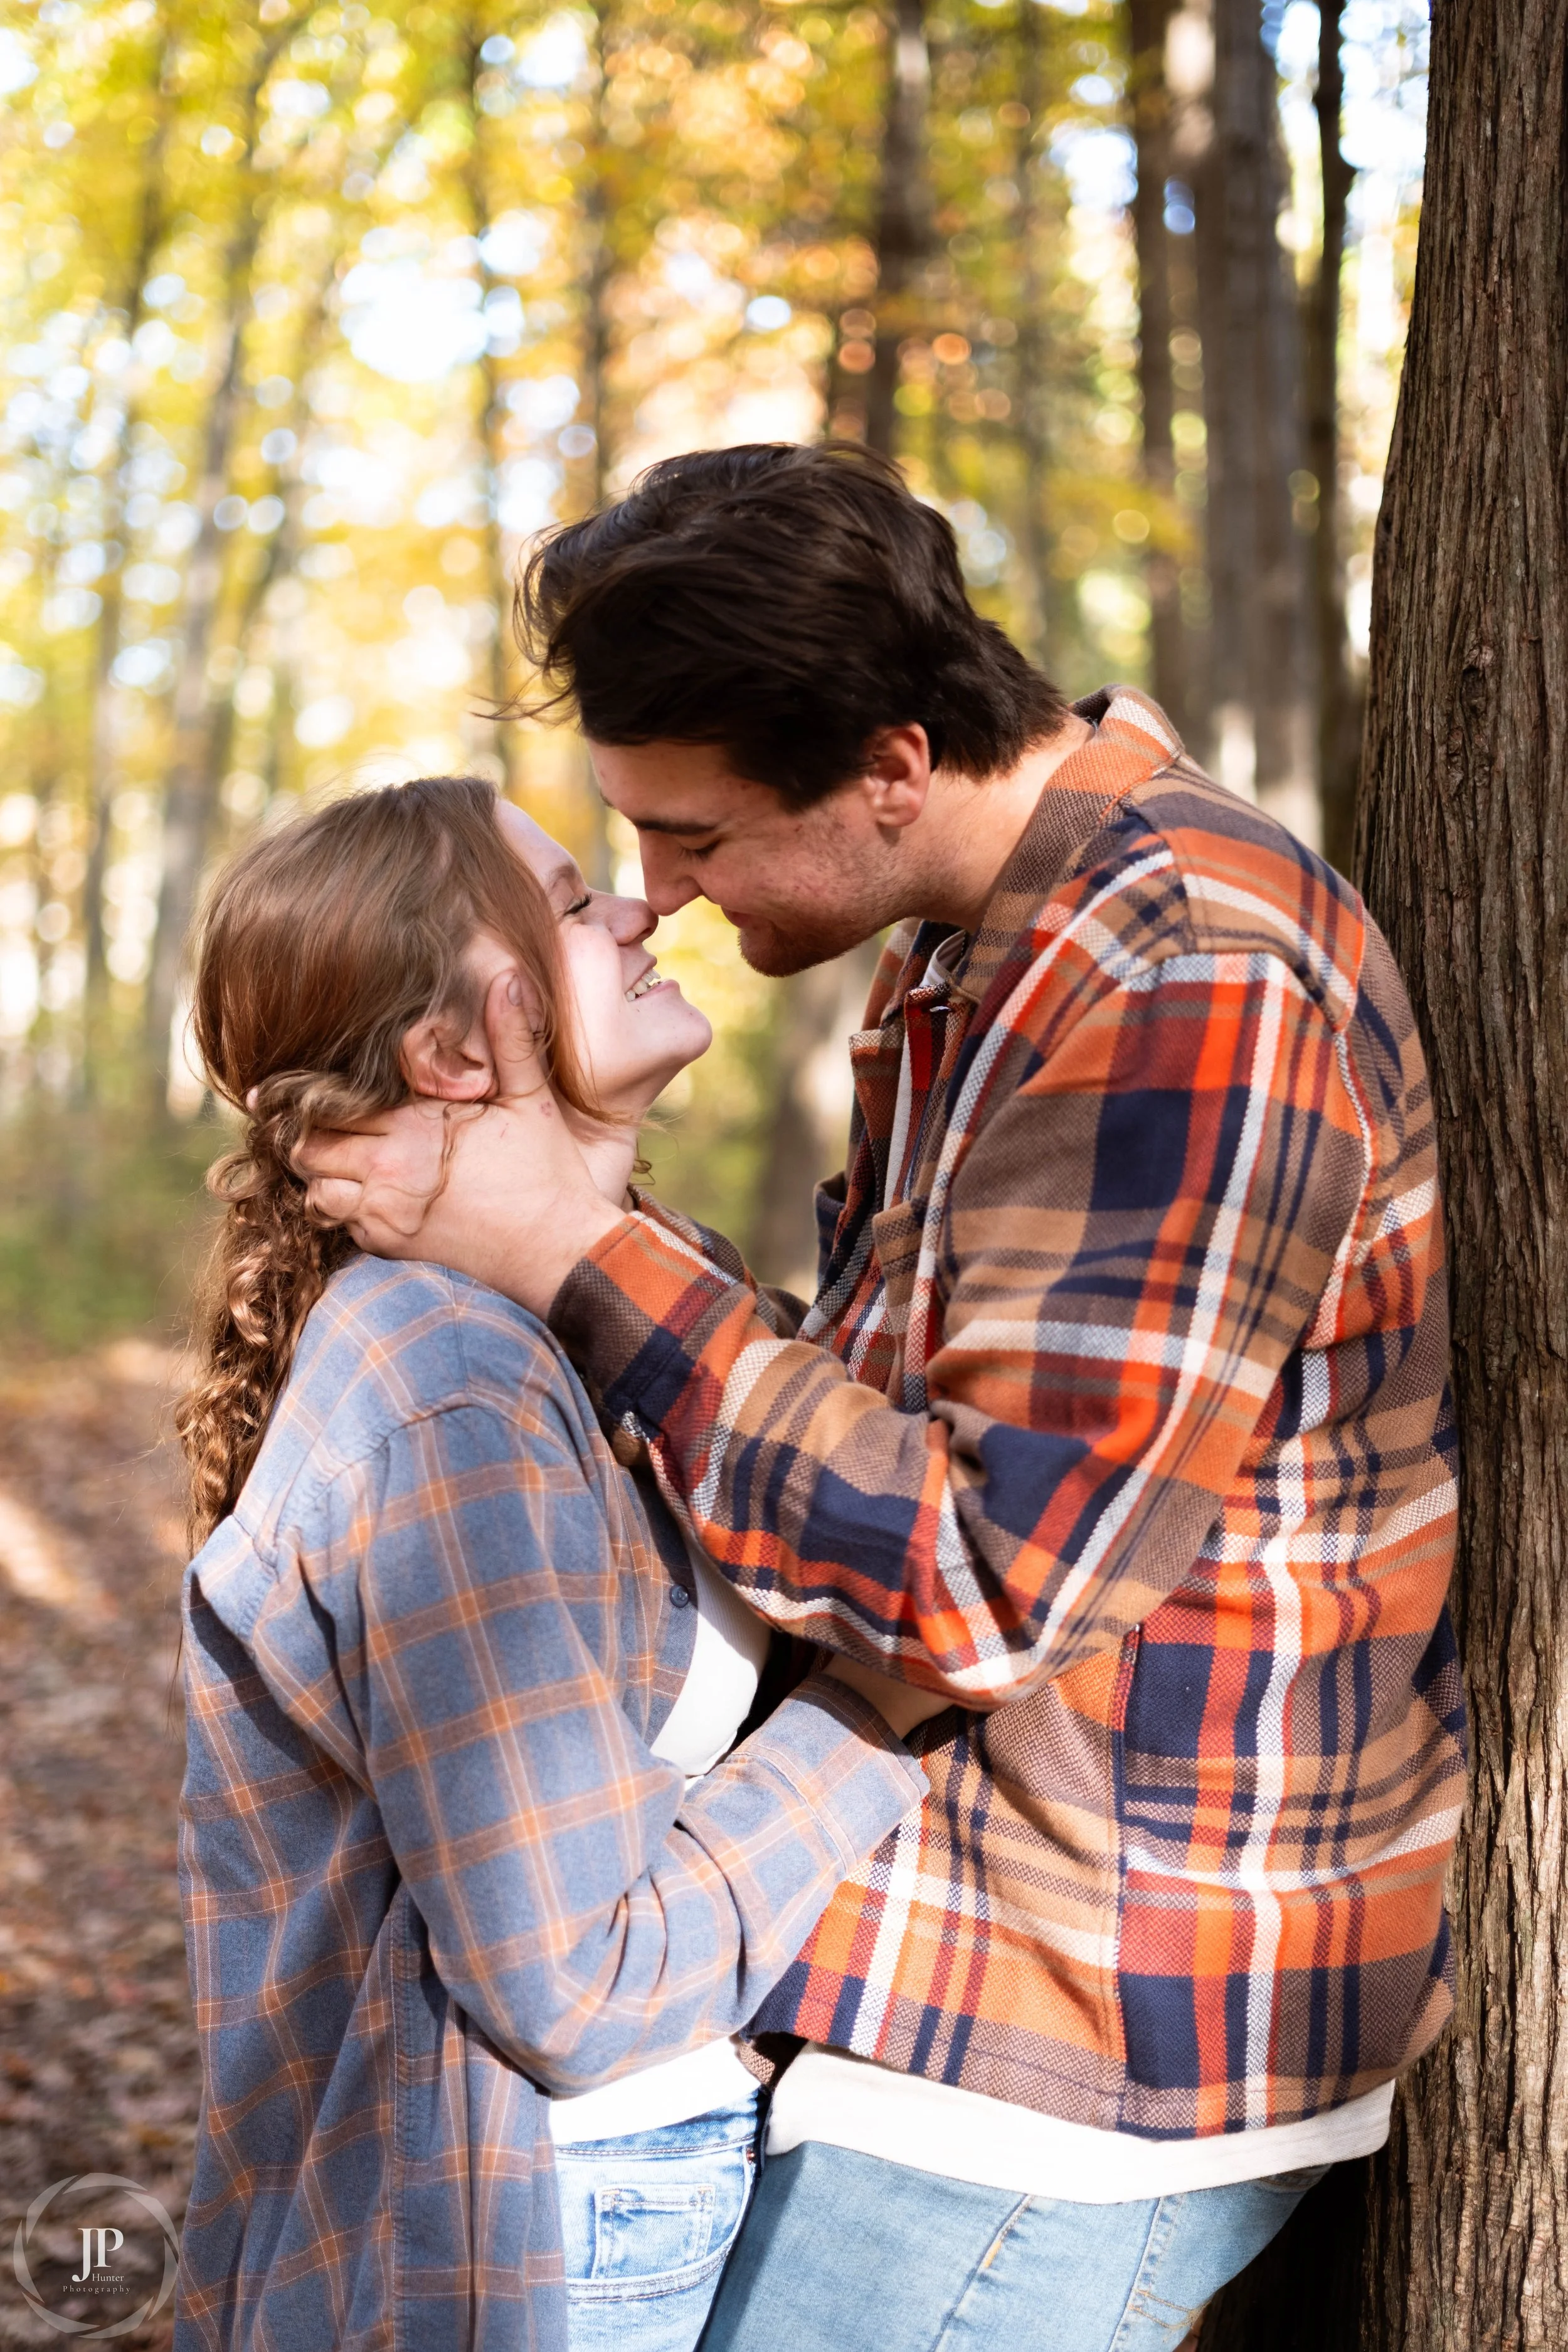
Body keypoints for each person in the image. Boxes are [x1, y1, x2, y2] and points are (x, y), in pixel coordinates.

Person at [300, 442, 1466, 2352]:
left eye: (693, 837)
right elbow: (891, 1411)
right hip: (953, 1935)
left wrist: (575, 1252)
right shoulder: (967, 942)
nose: (661, 896)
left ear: (893, 763)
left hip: (1105, 1995)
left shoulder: (1185, 969)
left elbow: (989, 1574)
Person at [172, 773, 940, 2352]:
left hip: (638, 2170)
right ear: (459, 1050)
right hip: (531, 2220)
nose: (644, 908)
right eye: (578, 900)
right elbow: (566, 1994)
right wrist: (890, 1710)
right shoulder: (448, 1379)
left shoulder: (638, 1313)